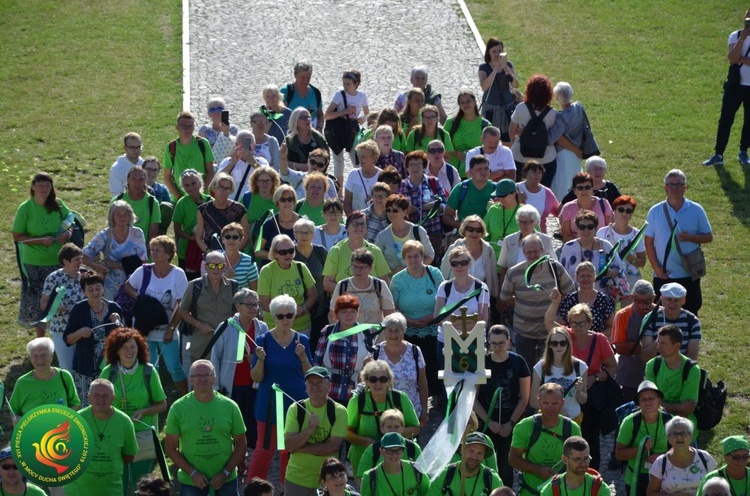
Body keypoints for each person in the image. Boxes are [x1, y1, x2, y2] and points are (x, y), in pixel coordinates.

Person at [546, 298, 618, 470]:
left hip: (591, 394)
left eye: (581, 323)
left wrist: (594, 378)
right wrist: (555, 303)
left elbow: (613, 367)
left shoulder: (599, 340)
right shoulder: (565, 336)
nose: (577, 327)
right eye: (574, 323)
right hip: (568, 395)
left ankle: (591, 471)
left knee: (590, 436)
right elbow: (548, 322)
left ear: (590, 322)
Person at [248, 295, 313, 482]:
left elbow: (310, 374)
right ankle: (254, 490)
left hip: (296, 402)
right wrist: (260, 360)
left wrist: (303, 357)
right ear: (273, 317)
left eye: (289, 315)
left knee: (290, 449)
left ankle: (289, 488)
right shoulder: (263, 340)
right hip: (268, 403)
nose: (285, 319)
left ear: (294, 316)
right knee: (264, 449)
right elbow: (256, 377)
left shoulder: (303, 340)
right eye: (280, 316)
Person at [165, 360, 247, 496]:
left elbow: (241, 444)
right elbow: (170, 448)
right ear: (190, 379)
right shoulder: (178, 408)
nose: (202, 379)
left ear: (214, 378)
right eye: (197, 375)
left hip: (226, 480)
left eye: (207, 375)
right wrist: (192, 473)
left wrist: (225, 473)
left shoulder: (230, 407)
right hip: (191, 481)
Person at [100, 328, 168, 490]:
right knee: (119, 481)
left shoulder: (149, 371)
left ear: (139, 349)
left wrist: (143, 412)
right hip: (115, 434)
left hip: (142, 435)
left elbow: (162, 404)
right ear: (116, 350)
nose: (129, 351)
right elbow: (99, 403)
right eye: (124, 347)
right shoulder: (108, 372)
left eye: (133, 347)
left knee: (141, 483)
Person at [499, 234, 575, 368]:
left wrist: (557, 302)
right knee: (526, 371)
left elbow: (570, 291)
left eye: (536, 251)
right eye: (529, 252)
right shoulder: (514, 272)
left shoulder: (555, 268)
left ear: (543, 250)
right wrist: (524, 303)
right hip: (524, 332)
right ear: (523, 252)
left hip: (550, 332)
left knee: (549, 370)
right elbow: (504, 297)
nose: (533, 255)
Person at [125, 235, 189, 396]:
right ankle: (153, 396)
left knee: (174, 366)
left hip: (167, 329)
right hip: (143, 329)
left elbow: (182, 306)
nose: (153, 253)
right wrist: (139, 297)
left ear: (168, 254)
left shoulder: (178, 274)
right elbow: (128, 286)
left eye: (158, 250)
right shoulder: (143, 270)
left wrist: (171, 329)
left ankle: (186, 396)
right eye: (152, 250)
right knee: (149, 365)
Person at [644, 169, 713, 315]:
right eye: (671, 185)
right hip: (664, 274)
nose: (674, 188)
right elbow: (649, 242)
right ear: (665, 188)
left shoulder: (696, 210)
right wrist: (656, 268)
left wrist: (690, 238)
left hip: (689, 273)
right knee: (662, 314)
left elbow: (708, 237)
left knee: (690, 311)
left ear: (685, 188)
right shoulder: (655, 211)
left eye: (679, 185)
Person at [12, 172, 76, 327]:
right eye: (40, 184)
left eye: (48, 185)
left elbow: (71, 220)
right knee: (37, 305)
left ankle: (57, 340)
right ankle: (40, 341)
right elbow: (17, 236)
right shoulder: (25, 208)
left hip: (57, 262)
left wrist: (68, 233)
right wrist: (40, 240)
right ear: (33, 186)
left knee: (58, 301)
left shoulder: (58, 204)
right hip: (33, 264)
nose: (44, 188)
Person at [211, 288, 268, 451]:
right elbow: (215, 357)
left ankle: (250, 457)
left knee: (252, 423)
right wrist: (215, 386)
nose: (253, 308)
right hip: (231, 384)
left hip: (254, 384)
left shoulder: (262, 327)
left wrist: (257, 359)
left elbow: (267, 353)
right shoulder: (225, 327)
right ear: (238, 306)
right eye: (248, 304)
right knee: (233, 423)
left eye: (256, 304)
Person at [475, 325, 531, 488]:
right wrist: (489, 422)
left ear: (508, 342)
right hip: (486, 423)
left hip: (509, 422)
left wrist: (511, 423)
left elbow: (524, 397)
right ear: (488, 344)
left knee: (506, 466)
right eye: (493, 343)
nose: (498, 347)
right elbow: (474, 399)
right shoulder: (482, 363)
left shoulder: (518, 362)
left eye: (501, 343)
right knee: (485, 464)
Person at [390, 240, 445, 396]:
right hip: (408, 331)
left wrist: (432, 317)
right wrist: (408, 321)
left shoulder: (434, 274)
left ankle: (435, 398)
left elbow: (444, 299)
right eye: (410, 256)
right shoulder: (398, 279)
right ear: (404, 258)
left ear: (423, 256)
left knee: (434, 366)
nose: (414, 260)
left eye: (417, 256)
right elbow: (393, 307)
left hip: (434, 330)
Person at [346, 360, 420, 476]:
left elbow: (415, 428)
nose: (378, 383)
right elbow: (347, 432)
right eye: (373, 379)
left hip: (396, 457)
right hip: (362, 457)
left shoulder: (400, 398)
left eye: (383, 379)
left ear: (389, 381)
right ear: (366, 381)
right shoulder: (358, 401)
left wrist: (394, 433)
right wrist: (365, 441)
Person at [65, 379, 138, 496]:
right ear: (89, 397)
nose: (100, 399)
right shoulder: (75, 420)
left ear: (113, 398)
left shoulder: (124, 422)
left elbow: (129, 455)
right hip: (77, 492)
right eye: (96, 395)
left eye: (105, 395)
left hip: (112, 491)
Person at [509, 383, 582, 496]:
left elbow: (580, 459)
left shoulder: (572, 428)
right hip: (531, 491)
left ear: (562, 402)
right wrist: (538, 470)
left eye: (555, 403)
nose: (550, 408)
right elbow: (513, 459)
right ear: (538, 402)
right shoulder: (524, 427)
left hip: (563, 491)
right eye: (545, 403)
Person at [284, 366, 348, 496]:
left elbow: (332, 447)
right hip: (296, 479)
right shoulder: (295, 409)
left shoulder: (339, 411)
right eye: (311, 383)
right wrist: (309, 429)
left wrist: (300, 448)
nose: (315, 387)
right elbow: (289, 445)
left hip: (328, 481)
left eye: (319, 383)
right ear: (306, 387)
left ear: (329, 385)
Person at [64, 271, 122, 407]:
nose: (95, 292)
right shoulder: (79, 309)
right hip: (85, 368)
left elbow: (125, 337)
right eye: (90, 290)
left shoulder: (114, 308)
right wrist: (79, 333)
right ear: (84, 292)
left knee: (111, 404)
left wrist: (119, 321)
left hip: (110, 367)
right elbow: (67, 339)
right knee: (85, 406)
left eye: (98, 288)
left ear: (103, 288)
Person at [174, 250, 237, 374]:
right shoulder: (195, 285)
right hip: (201, 343)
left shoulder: (233, 286)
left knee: (225, 380)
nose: (216, 269)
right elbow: (182, 310)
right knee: (200, 377)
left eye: (220, 266)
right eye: (212, 266)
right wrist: (199, 325)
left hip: (226, 342)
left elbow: (237, 311)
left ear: (224, 267)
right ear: (205, 266)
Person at [702, 10, 750, 167]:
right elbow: (731, 58)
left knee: (749, 121)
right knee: (725, 120)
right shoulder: (735, 36)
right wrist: (743, 38)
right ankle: (718, 154)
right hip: (734, 86)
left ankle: (744, 152)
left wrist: (739, 59)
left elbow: (735, 58)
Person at [367, 313, 429, 425]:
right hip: (383, 413)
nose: (393, 334)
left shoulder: (415, 351)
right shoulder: (375, 352)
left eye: (397, 330)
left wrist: (425, 411)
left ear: (404, 331)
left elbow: (423, 383)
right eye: (389, 330)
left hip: (411, 410)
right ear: (384, 331)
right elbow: (364, 383)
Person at [434, 245, 491, 368]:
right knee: (449, 383)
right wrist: (470, 321)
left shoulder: (481, 288)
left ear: (469, 264)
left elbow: (483, 321)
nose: (459, 266)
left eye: (463, 262)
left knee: (474, 381)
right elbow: (437, 318)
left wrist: (450, 320)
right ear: (450, 265)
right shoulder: (444, 287)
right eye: (455, 263)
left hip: (474, 344)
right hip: (447, 343)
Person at [615, 380, 673, 496]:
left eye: (651, 398)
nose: (648, 402)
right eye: (643, 399)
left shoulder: (669, 420)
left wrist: (662, 457)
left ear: (659, 401)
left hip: (663, 476)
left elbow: (678, 448)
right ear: (639, 404)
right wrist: (640, 449)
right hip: (636, 478)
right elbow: (619, 454)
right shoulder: (630, 422)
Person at [83, 200, 148, 299]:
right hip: (110, 285)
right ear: (112, 216)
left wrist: (118, 265)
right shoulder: (105, 235)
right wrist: (99, 267)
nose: (122, 217)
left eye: (125, 214)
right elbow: (84, 256)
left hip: (133, 284)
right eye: (118, 214)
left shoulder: (137, 233)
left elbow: (143, 262)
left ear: (130, 216)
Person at [314, 295, 372, 405]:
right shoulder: (328, 331)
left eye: (352, 312)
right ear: (337, 314)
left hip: (356, 390)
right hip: (331, 389)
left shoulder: (366, 332)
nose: (349, 316)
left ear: (357, 313)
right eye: (344, 312)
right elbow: (317, 363)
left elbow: (371, 362)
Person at [9, 337, 80, 422]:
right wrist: (16, 419)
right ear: (30, 358)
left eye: (43, 355)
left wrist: (65, 419)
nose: (40, 360)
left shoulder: (64, 376)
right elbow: (13, 410)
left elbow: (75, 404)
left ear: (52, 355)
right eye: (35, 356)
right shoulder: (22, 382)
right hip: (32, 431)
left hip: (60, 430)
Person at [645, 325, 701, 431]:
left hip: (683, 429)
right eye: (658, 342)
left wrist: (661, 405)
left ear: (677, 346)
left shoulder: (692, 370)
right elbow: (650, 403)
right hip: (656, 428)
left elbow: (686, 411)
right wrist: (679, 407)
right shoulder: (652, 365)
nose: (658, 347)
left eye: (663, 343)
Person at [509, 75, 561, 187]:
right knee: (544, 191)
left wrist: (515, 142)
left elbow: (512, 131)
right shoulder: (553, 113)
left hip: (520, 156)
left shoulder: (521, 108)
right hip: (546, 158)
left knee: (519, 190)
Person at [258, 234, 316, 334]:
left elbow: (313, 295)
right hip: (274, 327)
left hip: (301, 326)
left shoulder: (301, 267)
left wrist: (303, 308)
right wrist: (288, 313)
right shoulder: (266, 271)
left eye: (291, 250)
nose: (288, 255)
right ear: (274, 253)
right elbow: (264, 303)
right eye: (283, 252)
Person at [40, 243, 86, 367]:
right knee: (67, 367)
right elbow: (43, 303)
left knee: (84, 366)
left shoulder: (85, 275)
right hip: (61, 330)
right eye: (77, 260)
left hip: (83, 329)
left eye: (81, 258)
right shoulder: (54, 278)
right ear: (66, 261)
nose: (80, 262)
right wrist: (56, 307)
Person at [647, 416, 717, 496]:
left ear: (691, 437)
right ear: (669, 439)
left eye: (683, 433)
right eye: (674, 434)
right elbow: (651, 493)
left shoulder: (704, 457)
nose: (679, 437)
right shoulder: (660, 463)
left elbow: (718, 488)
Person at [529, 328, 588, 423]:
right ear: (549, 346)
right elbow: (533, 401)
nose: (559, 346)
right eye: (554, 343)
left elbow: (583, 400)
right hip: (548, 420)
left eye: (563, 343)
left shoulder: (580, 366)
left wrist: (579, 391)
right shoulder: (540, 367)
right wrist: (557, 410)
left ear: (568, 344)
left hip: (573, 419)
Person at [322, 211, 391, 292]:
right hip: (344, 300)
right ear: (347, 228)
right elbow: (327, 283)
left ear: (366, 229)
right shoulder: (336, 251)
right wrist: (351, 292)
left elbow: (385, 283)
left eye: (362, 224)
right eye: (355, 224)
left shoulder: (375, 251)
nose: (359, 227)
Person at [559, 210, 622, 297]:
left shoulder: (605, 245)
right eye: (582, 227)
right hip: (575, 298)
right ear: (577, 229)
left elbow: (618, 266)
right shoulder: (569, 247)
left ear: (595, 228)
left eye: (590, 227)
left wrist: (612, 272)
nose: (586, 230)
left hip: (602, 298)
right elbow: (561, 274)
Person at [612, 281, 657, 402]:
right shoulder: (622, 315)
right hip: (629, 376)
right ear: (632, 298)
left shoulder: (662, 314)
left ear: (654, 298)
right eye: (639, 301)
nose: (643, 305)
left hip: (657, 376)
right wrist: (649, 346)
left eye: (647, 301)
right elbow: (620, 347)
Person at [324, 69, 370, 188]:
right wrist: (344, 111)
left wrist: (362, 119)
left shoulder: (362, 96)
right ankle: (339, 192)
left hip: (352, 131)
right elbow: (327, 115)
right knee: (339, 163)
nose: (345, 86)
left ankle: (360, 187)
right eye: (344, 83)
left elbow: (367, 113)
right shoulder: (339, 95)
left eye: (348, 84)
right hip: (338, 132)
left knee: (358, 161)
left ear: (356, 84)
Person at [596, 195, 646, 298]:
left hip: (630, 279)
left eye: (628, 211)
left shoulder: (636, 234)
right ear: (614, 211)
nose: (624, 213)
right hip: (608, 278)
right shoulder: (603, 232)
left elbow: (642, 262)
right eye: (621, 209)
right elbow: (596, 255)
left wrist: (630, 257)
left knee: (628, 312)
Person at [497, 205, 557, 291]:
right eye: (522, 221)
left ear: (536, 222)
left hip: (540, 289)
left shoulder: (545, 240)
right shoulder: (509, 240)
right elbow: (504, 269)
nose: (525, 225)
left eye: (529, 221)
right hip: (515, 289)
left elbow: (553, 265)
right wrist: (501, 294)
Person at [329, 248, 395, 326]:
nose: (357, 271)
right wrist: (340, 334)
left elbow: (389, 314)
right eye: (355, 266)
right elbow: (332, 314)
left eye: (362, 267)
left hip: (376, 336)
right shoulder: (342, 286)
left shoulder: (380, 285)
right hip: (349, 335)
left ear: (371, 267)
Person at [639, 282, 701, 362]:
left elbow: (692, 357)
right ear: (662, 299)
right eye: (669, 299)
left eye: (676, 300)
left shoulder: (692, 321)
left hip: (681, 370)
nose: (672, 304)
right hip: (657, 370)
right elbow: (645, 357)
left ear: (683, 300)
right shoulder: (651, 319)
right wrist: (659, 341)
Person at [551, 262, 615, 338]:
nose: (586, 279)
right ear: (577, 278)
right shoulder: (569, 299)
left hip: (596, 344)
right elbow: (560, 325)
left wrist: (594, 338)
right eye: (582, 276)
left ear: (595, 277)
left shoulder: (604, 300)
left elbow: (611, 327)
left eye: (589, 276)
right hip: (573, 344)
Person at [376, 193, 435, 274]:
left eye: (395, 210)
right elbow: (377, 263)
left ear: (405, 212)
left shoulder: (418, 231)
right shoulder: (382, 236)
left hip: (416, 279)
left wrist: (414, 269)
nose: (391, 213)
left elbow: (430, 255)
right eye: (388, 210)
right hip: (392, 282)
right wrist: (393, 272)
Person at [441, 216, 499, 298]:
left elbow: (493, 278)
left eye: (478, 230)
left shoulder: (488, 250)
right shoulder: (453, 248)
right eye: (470, 229)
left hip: (480, 298)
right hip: (455, 298)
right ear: (464, 230)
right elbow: (443, 275)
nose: (474, 233)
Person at [429, 432, 503, 496]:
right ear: (461, 450)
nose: (474, 457)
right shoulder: (443, 475)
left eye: (479, 453)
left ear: (484, 455)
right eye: (470, 451)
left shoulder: (492, 479)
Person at [356, 409, 423, 479]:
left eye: (396, 427)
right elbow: (361, 478)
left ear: (403, 428)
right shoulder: (372, 449)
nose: (393, 430)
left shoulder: (413, 448)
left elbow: (423, 474)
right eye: (389, 427)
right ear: (381, 429)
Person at [163, 111, 215, 200]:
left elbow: (210, 172)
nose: (187, 129)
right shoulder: (171, 147)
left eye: (190, 126)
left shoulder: (203, 144)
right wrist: (179, 198)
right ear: (177, 127)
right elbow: (167, 177)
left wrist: (200, 194)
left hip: (201, 198)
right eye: (184, 126)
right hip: (180, 198)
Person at [398, 151, 447, 242]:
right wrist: (406, 210)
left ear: (424, 166)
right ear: (407, 167)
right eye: (412, 164)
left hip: (433, 233)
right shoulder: (402, 185)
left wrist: (435, 207)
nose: (415, 167)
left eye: (418, 164)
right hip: (409, 234)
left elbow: (445, 205)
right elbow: (397, 209)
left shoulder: (434, 182)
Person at [195, 172, 250, 254]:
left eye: (227, 188)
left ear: (231, 190)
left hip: (234, 255)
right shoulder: (203, 209)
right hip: (211, 254)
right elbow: (198, 238)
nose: (224, 191)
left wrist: (232, 253)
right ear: (213, 188)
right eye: (221, 187)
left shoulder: (239, 209)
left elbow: (246, 237)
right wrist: (209, 252)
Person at [479, 37, 520, 144]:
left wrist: (509, 73)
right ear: (488, 52)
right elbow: (484, 86)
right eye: (494, 51)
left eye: (500, 51)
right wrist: (495, 71)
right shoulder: (484, 67)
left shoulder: (508, 65)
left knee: (509, 138)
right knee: (490, 138)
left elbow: (516, 85)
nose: (497, 54)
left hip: (507, 106)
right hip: (491, 108)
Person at [362, 432, 430, 496]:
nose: (394, 455)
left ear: (403, 452)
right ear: (381, 451)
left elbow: (428, 493)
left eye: (398, 451)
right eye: (389, 451)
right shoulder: (369, 477)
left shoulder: (417, 470)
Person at [549, 82, 585, 200]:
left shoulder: (561, 117)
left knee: (562, 183)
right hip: (577, 154)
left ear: (557, 97)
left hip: (564, 154)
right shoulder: (579, 108)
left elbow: (554, 138)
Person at [539, 436, 611, 496]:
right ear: (564, 460)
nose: (583, 464)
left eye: (586, 458)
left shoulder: (600, 489)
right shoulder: (550, 491)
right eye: (577, 459)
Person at [445, 89, 492, 175]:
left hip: (477, 172)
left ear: (474, 102)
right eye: (462, 103)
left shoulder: (485, 124)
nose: (466, 105)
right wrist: (455, 153)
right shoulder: (450, 122)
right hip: (453, 171)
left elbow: (491, 148)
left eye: (468, 101)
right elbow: (442, 144)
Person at [442, 155, 496, 229]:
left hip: (490, 236)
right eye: (479, 169)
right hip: (466, 237)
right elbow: (446, 217)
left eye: (486, 168)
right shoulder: (461, 188)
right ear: (470, 171)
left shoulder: (496, 189)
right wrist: (464, 227)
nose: (483, 172)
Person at [558, 173, 613, 243]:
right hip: (577, 249)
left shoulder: (604, 204)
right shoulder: (568, 208)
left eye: (587, 187)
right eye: (580, 188)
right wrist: (586, 244)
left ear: (592, 189)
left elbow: (610, 231)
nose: (584, 191)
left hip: (600, 248)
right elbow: (566, 236)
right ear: (574, 191)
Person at [113, 166, 161, 244]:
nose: (137, 182)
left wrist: (147, 252)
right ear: (128, 180)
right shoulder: (117, 201)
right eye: (133, 179)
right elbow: (111, 226)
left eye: (141, 179)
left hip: (142, 249)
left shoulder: (152, 202)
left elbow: (153, 231)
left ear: (145, 181)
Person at [218, 131, 269, 199]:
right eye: (244, 141)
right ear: (236, 144)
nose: (248, 144)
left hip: (251, 203)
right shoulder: (228, 161)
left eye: (250, 142)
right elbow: (217, 179)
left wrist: (252, 162)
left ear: (254, 145)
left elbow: (267, 177)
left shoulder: (261, 161)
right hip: (230, 203)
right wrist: (232, 163)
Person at [242, 166, 280, 249]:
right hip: (248, 247)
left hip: (271, 248)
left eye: (267, 181)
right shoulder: (247, 198)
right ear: (256, 182)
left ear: (273, 181)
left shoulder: (280, 200)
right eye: (261, 181)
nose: (264, 184)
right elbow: (237, 223)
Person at [281, 61, 325, 132]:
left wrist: (319, 129)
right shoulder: (286, 91)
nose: (305, 80)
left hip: (310, 134)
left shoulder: (315, 92)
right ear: (295, 75)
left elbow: (320, 115)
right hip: (290, 134)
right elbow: (275, 113)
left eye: (308, 77)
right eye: (302, 77)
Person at [516, 161, 558, 233]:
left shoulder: (547, 192)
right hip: (517, 232)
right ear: (526, 173)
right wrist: (516, 201)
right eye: (533, 172)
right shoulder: (516, 188)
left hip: (540, 234)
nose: (537, 175)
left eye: (539, 172)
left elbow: (559, 212)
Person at [484, 179, 521, 259]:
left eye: (503, 196)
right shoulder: (493, 210)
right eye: (498, 196)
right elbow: (483, 234)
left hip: (516, 261)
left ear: (514, 194)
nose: (500, 199)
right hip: (493, 260)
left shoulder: (525, 212)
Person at [215, 222, 259, 289]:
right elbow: (211, 289)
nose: (231, 240)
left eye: (235, 237)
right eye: (227, 237)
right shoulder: (215, 260)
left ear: (241, 240)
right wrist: (224, 278)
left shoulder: (249, 262)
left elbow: (255, 290)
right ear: (223, 239)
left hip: (243, 299)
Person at [284, 107, 329, 172]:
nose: (307, 120)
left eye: (308, 117)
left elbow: (327, 159)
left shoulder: (318, 138)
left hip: (316, 176)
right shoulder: (289, 141)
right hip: (294, 178)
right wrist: (299, 166)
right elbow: (282, 162)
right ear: (295, 121)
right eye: (302, 118)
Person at [345, 140, 382, 214]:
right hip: (356, 219)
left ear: (374, 158)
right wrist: (351, 219)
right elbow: (347, 201)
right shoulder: (353, 174)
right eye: (359, 156)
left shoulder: (381, 175)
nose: (360, 159)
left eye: (363, 157)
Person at [198, 96, 239, 162]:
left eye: (220, 109)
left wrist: (226, 132)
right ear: (209, 114)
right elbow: (203, 150)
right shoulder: (204, 130)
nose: (216, 112)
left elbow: (235, 148)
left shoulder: (232, 129)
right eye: (212, 110)